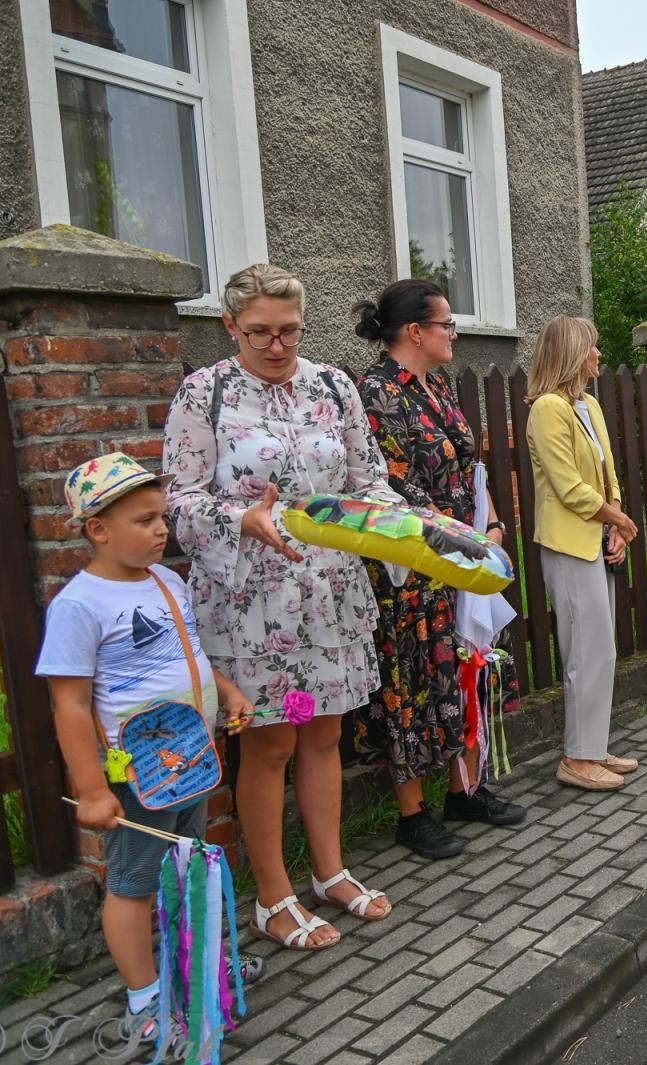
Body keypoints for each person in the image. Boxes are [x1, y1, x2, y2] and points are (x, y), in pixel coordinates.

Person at [164, 263, 397, 950]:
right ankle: (272, 895)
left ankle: (330, 871)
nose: (276, 344)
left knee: (324, 733)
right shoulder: (203, 394)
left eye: (289, 330)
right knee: (270, 743)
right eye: (260, 331)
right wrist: (243, 520)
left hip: (330, 596)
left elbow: (368, 479)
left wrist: (401, 528)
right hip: (252, 605)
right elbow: (178, 499)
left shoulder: (333, 384)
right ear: (230, 325)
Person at [37, 454, 259, 1037]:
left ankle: (197, 970)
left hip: (190, 760)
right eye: (144, 520)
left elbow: (191, 654)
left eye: (161, 517)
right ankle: (144, 995)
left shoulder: (168, 580)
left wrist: (228, 691)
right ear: (98, 530)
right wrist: (90, 789)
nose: (162, 530)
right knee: (133, 885)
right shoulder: (79, 605)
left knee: (190, 868)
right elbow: (71, 705)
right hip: (138, 774)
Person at [352, 278, 526, 859]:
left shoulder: (441, 386)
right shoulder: (373, 394)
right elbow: (392, 490)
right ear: (415, 331)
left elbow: (470, 470)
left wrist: (493, 527)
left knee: (464, 669)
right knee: (411, 683)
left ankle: (465, 790)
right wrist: (459, 539)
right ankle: (412, 812)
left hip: (463, 555)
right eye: (446, 324)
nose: (454, 333)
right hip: (414, 566)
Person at [525, 316, 640, 790]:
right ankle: (576, 758)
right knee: (584, 652)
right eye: (593, 348)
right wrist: (618, 521)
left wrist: (615, 523)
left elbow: (606, 473)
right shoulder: (547, 409)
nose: (599, 357)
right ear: (574, 353)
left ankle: (592, 745)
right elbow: (569, 487)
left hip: (595, 538)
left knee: (602, 650)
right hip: (568, 543)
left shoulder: (587, 404)